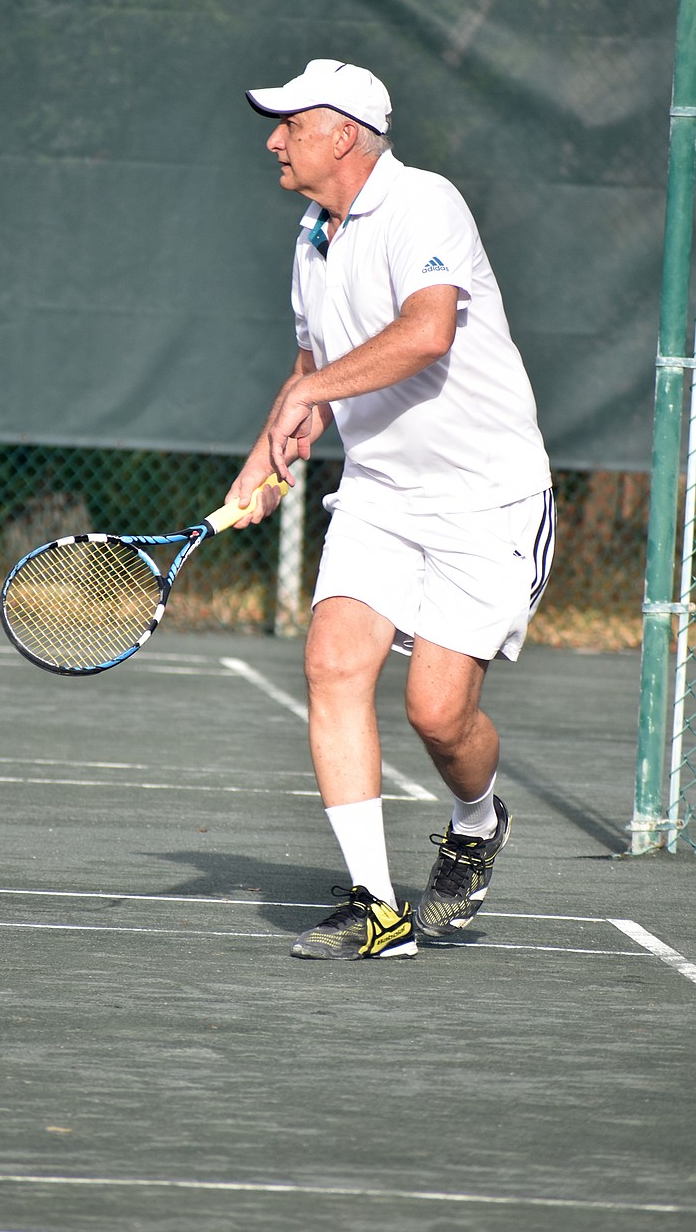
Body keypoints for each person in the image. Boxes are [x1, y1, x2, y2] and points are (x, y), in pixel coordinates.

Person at [228, 59, 555, 961]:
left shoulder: (424, 203)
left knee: (437, 714)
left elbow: (428, 332)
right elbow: (310, 373)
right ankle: (377, 908)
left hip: (486, 498)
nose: (273, 139)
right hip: (379, 494)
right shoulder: (311, 238)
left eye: (288, 124)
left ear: (341, 134)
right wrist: (262, 462)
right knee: (332, 663)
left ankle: (476, 821)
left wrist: (311, 397)